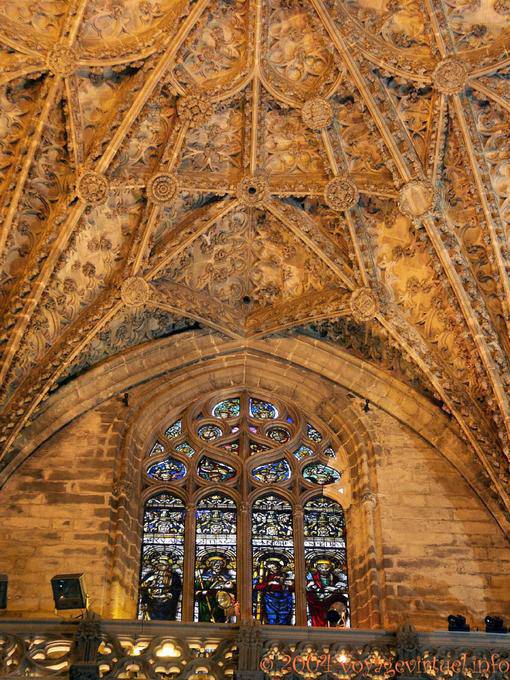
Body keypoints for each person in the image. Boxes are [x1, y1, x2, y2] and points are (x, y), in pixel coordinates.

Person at [305, 557, 348, 627]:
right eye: (322, 568)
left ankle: (337, 623)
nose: (324, 570)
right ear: (317, 568)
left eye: (326, 568)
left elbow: (341, 585)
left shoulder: (334, 577)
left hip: (331, 600)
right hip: (317, 600)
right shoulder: (313, 577)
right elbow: (308, 587)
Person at [196, 554, 237, 623]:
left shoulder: (226, 577)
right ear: (211, 566)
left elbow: (233, 591)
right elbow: (197, 591)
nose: (218, 567)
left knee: (221, 618)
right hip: (207, 603)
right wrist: (203, 592)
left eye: (220, 565)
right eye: (216, 565)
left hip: (221, 603)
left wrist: (230, 586)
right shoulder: (204, 578)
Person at [140, 554, 182, 620]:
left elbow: (176, 590)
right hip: (152, 603)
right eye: (159, 564)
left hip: (167, 604)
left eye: (163, 564)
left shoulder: (174, 576)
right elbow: (143, 587)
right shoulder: (150, 575)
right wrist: (144, 600)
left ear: (168, 565)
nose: (160, 566)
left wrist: (169, 595)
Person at [254, 557, 294, 625]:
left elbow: (293, 587)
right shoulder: (265, 577)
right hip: (270, 599)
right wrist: (269, 583)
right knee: (272, 617)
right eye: (271, 567)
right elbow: (258, 587)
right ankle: (271, 627)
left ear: (278, 566)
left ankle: (283, 628)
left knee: (283, 617)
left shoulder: (285, 575)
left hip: (284, 599)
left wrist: (286, 583)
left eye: (274, 567)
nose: (273, 569)